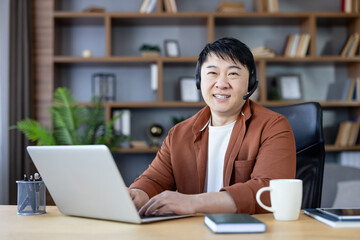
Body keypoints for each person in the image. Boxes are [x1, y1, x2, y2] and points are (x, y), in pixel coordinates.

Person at [129, 37, 296, 216]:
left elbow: (271, 191)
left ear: (250, 82)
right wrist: (136, 195)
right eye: (212, 73)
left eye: (233, 74)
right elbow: (155, 180)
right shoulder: (179, 133)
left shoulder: (273, 127)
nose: (222, 84)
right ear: (199, 80)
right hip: (193, 232)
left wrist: (194, 202)